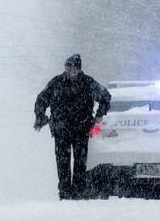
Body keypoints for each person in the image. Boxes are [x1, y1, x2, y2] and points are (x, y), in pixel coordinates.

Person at [34, 54, 111, 200]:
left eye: (74, 69)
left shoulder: (88, 83)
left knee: (80, 163)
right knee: (62, 162)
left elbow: (106, 96)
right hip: (61, 130)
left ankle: (78, 192)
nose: (71, 72)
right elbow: (41, 100)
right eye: (68, 68)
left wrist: (100, 114)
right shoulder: (56, 82)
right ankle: (64, 192)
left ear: (79, 69)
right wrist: (40, 117)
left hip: (81, 129)